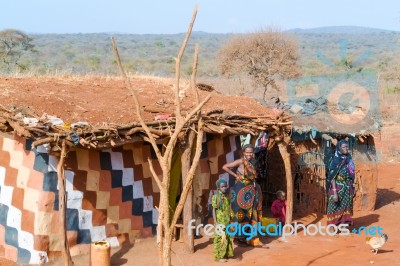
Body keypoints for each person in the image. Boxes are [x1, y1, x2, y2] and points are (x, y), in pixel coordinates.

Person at [222, 144, 264, 247]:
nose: (249, 154)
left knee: (251, 213)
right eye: (247, 152)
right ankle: (237, 238)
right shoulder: (240, 161)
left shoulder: (252, 163)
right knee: (240, 214)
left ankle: (249, 237)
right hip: (240, 191)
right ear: (244, 152)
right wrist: (236, 176)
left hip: (250, 191)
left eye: (251, 152)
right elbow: (225, 167)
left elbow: (254, 178)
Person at [326, 139, 355, 227]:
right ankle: (331, 225)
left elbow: (352, 173)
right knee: (333, 206)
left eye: (347, 147)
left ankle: (342, 224)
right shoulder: (335, 160)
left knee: (346, 206)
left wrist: (352, 186)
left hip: (347, 186)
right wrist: (334, 192)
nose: (346, 148)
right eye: (344, 147)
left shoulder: (349, 158)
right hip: (337, 187)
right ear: (339, 148)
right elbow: (332, 177)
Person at [212, 179, 234, 262]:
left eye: (225, 186)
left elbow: (229, 208)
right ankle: (219, 257)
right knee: (220, 238)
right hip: (220, 221)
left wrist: (231, 219)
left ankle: (226, 254)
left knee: (227, 237)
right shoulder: (216, 197)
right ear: (218, 188)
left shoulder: (228, 197)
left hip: (227, 220)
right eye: (222, 187)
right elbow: (214, 209)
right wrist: (215, 221)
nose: (224, 188)